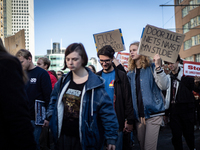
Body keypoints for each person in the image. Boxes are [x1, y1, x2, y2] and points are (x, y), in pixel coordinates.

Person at [46, 43, 119, 150]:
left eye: (75, 59)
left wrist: (111, 137)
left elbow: (107, 113)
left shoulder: (95, 84)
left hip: (85, 139)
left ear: (83, 59)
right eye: (68, 59)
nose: (70, 62)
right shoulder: (62, 81)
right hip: (62, 137)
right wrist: (51, 118)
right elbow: (53, 101)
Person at [127, 41, 169, 150]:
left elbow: (164, 86)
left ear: (142, 51)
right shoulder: (130, 73)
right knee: (142, 146)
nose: (131, 52)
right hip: (139, 117)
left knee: (149, 148)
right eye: (130, 50)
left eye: (134, 50)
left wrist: (159, 67)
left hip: (154, 114)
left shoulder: (153, 67)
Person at [96, 45, 134, 150]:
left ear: (112, 58)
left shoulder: (121, 75)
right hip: (100, 122)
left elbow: (128, 99)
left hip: (117, 121)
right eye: (101, 61)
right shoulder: (97, 77)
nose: (104, 63)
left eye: (107, 60)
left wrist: (129, 120)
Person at [0, 39, 36, 149]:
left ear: (29, 59)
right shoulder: (7, 64)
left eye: (22, 62)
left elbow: (16, 113)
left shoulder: (6, 64)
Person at [16, 49, 52, 150]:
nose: (20, 64)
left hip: (36, 118)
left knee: (34, 144)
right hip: (22, 117)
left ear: (29, 59)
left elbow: (48, 96)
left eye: (21, 62)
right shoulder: (20, 73)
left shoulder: (42, 74)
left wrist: (47, 117)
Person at [164, 55, 200, 150]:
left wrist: (197, 83)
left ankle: (192, 148)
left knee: (189, 135)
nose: (170, 65)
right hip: (174, 111)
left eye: (172, 62)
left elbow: (196, 88)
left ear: (178, 62)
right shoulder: (167, 77)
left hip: (187, 110)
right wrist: (166, 113)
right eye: (168, 63)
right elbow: (167, 96)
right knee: (176, 137)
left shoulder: (187, 73)